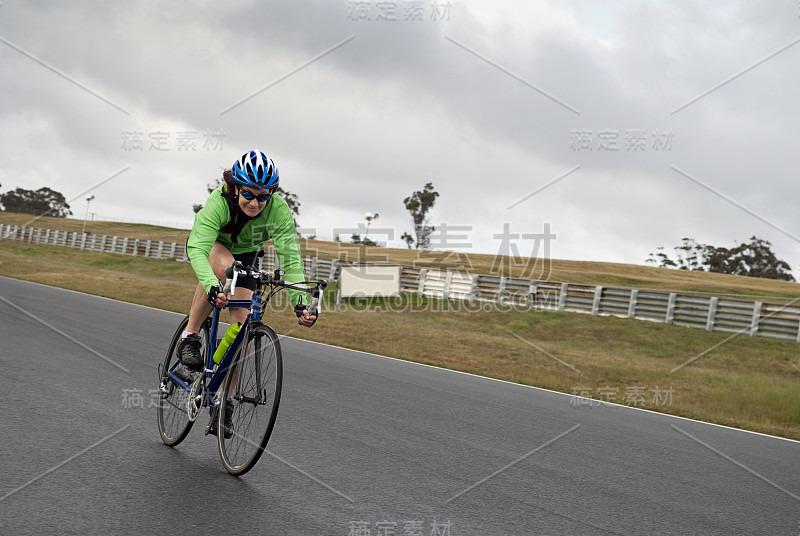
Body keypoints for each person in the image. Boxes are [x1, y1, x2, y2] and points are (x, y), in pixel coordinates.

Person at [177, 150, 316, 437]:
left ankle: (223, 402)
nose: (255, 202)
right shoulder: (219, 202)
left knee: (241, 331)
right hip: (213, 247)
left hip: (248, 255)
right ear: (236, 187)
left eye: (263, 196)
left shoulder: (277, 210)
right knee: (224, 269)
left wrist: (301, 302)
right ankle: (189, 337)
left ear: (271, 194)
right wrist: (211, 284)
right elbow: (198, 249)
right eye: (249, 195)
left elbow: (290, 259)